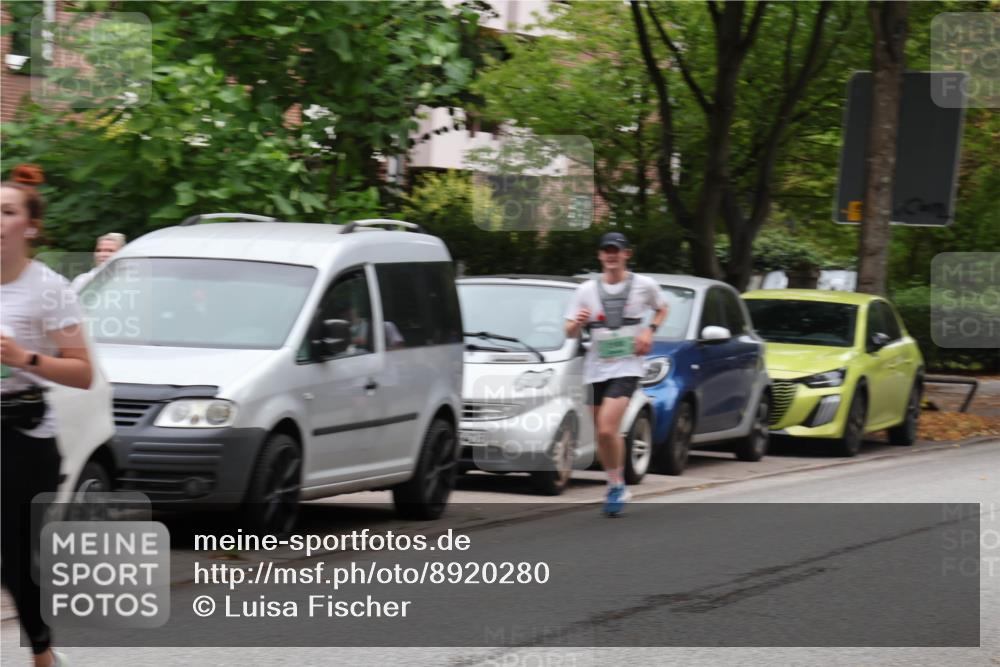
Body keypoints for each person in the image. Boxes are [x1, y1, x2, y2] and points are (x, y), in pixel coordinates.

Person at [2, 164, 93, 667]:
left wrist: (24, 359)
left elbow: (84, 373)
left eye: (7, 211)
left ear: (29, 226)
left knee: (16, 556)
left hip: (25, 436)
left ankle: (41, 649)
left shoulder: (49, 288)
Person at [564, 232, 668, 516]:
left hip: (627, 366)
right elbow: (569, 330)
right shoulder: (585, 290)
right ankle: (616, 483)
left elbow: (662, 309)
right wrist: (578, 323)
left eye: (616, 251)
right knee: (602, 433)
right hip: (595, 368)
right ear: (600, 256)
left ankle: (616, 484)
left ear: (626, 255)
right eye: (606, 251)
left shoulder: (644, 285)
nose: (611, 255)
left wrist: (649, 330)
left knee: (609, 428)